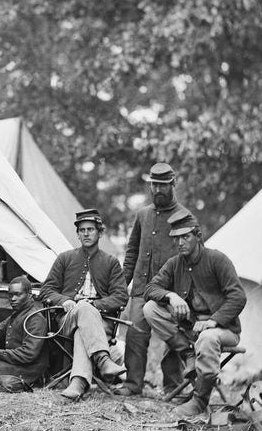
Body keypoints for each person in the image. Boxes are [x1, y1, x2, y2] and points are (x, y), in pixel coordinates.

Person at [143, 209, 246, 416]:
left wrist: (213, 321)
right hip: (191, 330)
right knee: (150, 308)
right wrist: (171, 296)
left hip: (223, 331)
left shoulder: (217, 260)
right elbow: (150, 289)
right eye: (177, 238)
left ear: (198, 236)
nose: (180, 242)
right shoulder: (175, 264)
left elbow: (238, 297)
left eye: (185, 236)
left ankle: (199, 401)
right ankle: (188, 353)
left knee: (207, 338)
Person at [38, 208, 128, 401]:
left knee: (84, 325)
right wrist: (65, 301)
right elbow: (46, 290)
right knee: (82, 310)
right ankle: (104, 361)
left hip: (101, 322)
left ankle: (78, 382)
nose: (86, 233)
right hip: (66, 320)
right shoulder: (65, 258)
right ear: (77, 234)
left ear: (100, 232)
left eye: (91, 229)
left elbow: (121, 296)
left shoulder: (110, 262)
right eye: (82, 230)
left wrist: (95, 305)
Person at [116, 162, 188, 398]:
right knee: (135, 334)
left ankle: (173, 386)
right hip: (140, 289)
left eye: (162, 185)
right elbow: (132, 252)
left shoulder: (185, 217)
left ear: (173, 184)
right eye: (153, 185)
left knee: (172, 337)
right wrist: (121, 285)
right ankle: (133, 383)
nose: (157, 190)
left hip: (171, 292)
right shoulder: (143, 215)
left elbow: (193, 259)